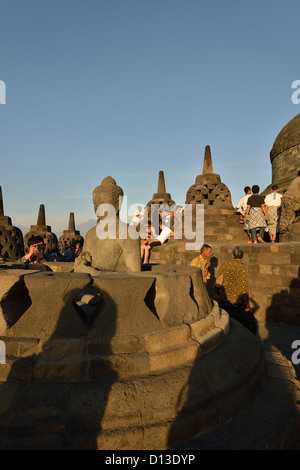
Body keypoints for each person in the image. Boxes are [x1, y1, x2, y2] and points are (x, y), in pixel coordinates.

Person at [214, 246, 256, 334]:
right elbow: (244, 287)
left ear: (232, 255)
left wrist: (217, 294)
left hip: (224, 301)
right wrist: (246, 303)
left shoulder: (225, 265)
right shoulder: (243, 268)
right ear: (243, 255)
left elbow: (218, 281)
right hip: (238, 303)